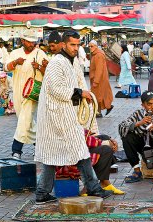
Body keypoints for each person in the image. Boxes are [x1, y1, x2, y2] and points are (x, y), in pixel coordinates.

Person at [35, 30, 112, 204]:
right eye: (72, 45)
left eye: (78, 45)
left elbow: (77, 82)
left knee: (77, 151)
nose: (75, 48)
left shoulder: (73, 61)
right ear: (63, 44)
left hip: (67, 114)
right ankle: (92, 189)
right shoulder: (56, 62)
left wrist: (85, 95)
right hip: (54, 116)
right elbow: (56, 89)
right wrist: (80, 93)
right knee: (53, 154)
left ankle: (43, 193)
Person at [5, 31, 49, 159]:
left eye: (33, 42)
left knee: (25, 119)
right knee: (26, 121)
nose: (32, 44)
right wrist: (15, 63)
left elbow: (49, 71)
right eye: (29, 41)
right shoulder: (15, 53)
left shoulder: (40, 53)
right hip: (18, 91)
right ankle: (40, 146)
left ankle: (16, 150)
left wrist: (39, 66)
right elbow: (6, 68)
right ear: (23, 41)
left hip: (33, 93)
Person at [89, 40, 114, 117]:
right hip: (98, 79)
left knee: (97, 96)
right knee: (99, 96)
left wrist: (96, 81)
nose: (90, 48)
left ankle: (98, 112)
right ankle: (101, 110)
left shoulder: (98, 55)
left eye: (92, 46)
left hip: (99, 79)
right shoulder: (96, 54)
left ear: (96, 46)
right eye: (89, 46)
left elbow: (99, 69)